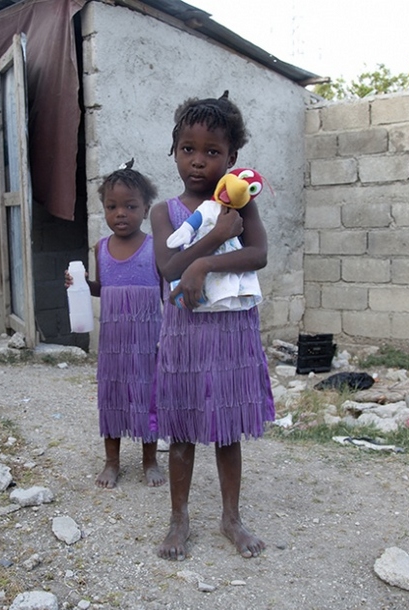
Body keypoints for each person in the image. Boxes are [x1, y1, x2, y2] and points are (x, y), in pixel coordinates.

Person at [150, 93, 274, 560]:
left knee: (227, 430)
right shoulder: (165, 212)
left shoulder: (242, 205)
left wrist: (204, 263)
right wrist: (214, 243)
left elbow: (259, 253)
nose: (198, 162)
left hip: (232, 332)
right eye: (188, 149)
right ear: (174, 149)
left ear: (232, 158)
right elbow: (167, 267)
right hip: (185, 332)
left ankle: (231, 518)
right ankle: (178, 520)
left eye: (212, 152)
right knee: (182, 430)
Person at [65, 161, 166, 489]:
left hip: (147, 341)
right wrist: (79, 283)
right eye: (112, 206)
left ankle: (150, 459)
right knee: (112, 396)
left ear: (146, 209)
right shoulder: (101, 249)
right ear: (103, 209)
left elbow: (167, 292)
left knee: (148, 396)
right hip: (113, 343)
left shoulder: (155, 248)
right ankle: (112, 462)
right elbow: (102, 288)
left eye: (130, 206)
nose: (120, 213)